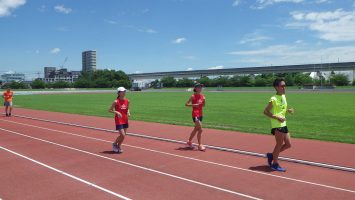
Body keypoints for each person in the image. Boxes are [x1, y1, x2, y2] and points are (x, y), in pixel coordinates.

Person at [264, 78, 294, 172]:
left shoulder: (283, 96)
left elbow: (281, 109)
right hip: (277, 124)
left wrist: (288, 110)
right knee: (279, 144)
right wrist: (277, 117)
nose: (284, 88)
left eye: (285, 86)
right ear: (276, 87)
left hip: (284, 123)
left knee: (288, 144)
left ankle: (271, 155)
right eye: (282, 86)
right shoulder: (273, 99)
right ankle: (274, 164)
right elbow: (265, 112)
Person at [108, 87, 130, 153]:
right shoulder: (116, 101)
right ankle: (114, 144)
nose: (124, 93)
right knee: (122, 135)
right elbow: (109, 110)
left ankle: (119, 146)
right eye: (122, 91)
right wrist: (116, 112)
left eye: (124, 91)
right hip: (119, 120)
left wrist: (128, 112)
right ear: (119, 93)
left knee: (124, 136)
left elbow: (127, 108)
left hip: (125, 119)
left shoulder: (127, 101)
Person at [185, 83, 206, 151]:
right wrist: (194, 105)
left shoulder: (202, 96)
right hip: (195, 114)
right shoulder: (192, 96)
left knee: (196, 129)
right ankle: (200, 145)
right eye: (199, 87)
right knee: (200, 129)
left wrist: (204, 100)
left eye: (201, 87)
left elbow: (203, 106)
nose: (200, 89)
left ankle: (189, 141)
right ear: (195, 88)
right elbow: (186, 104)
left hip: (200, 114)